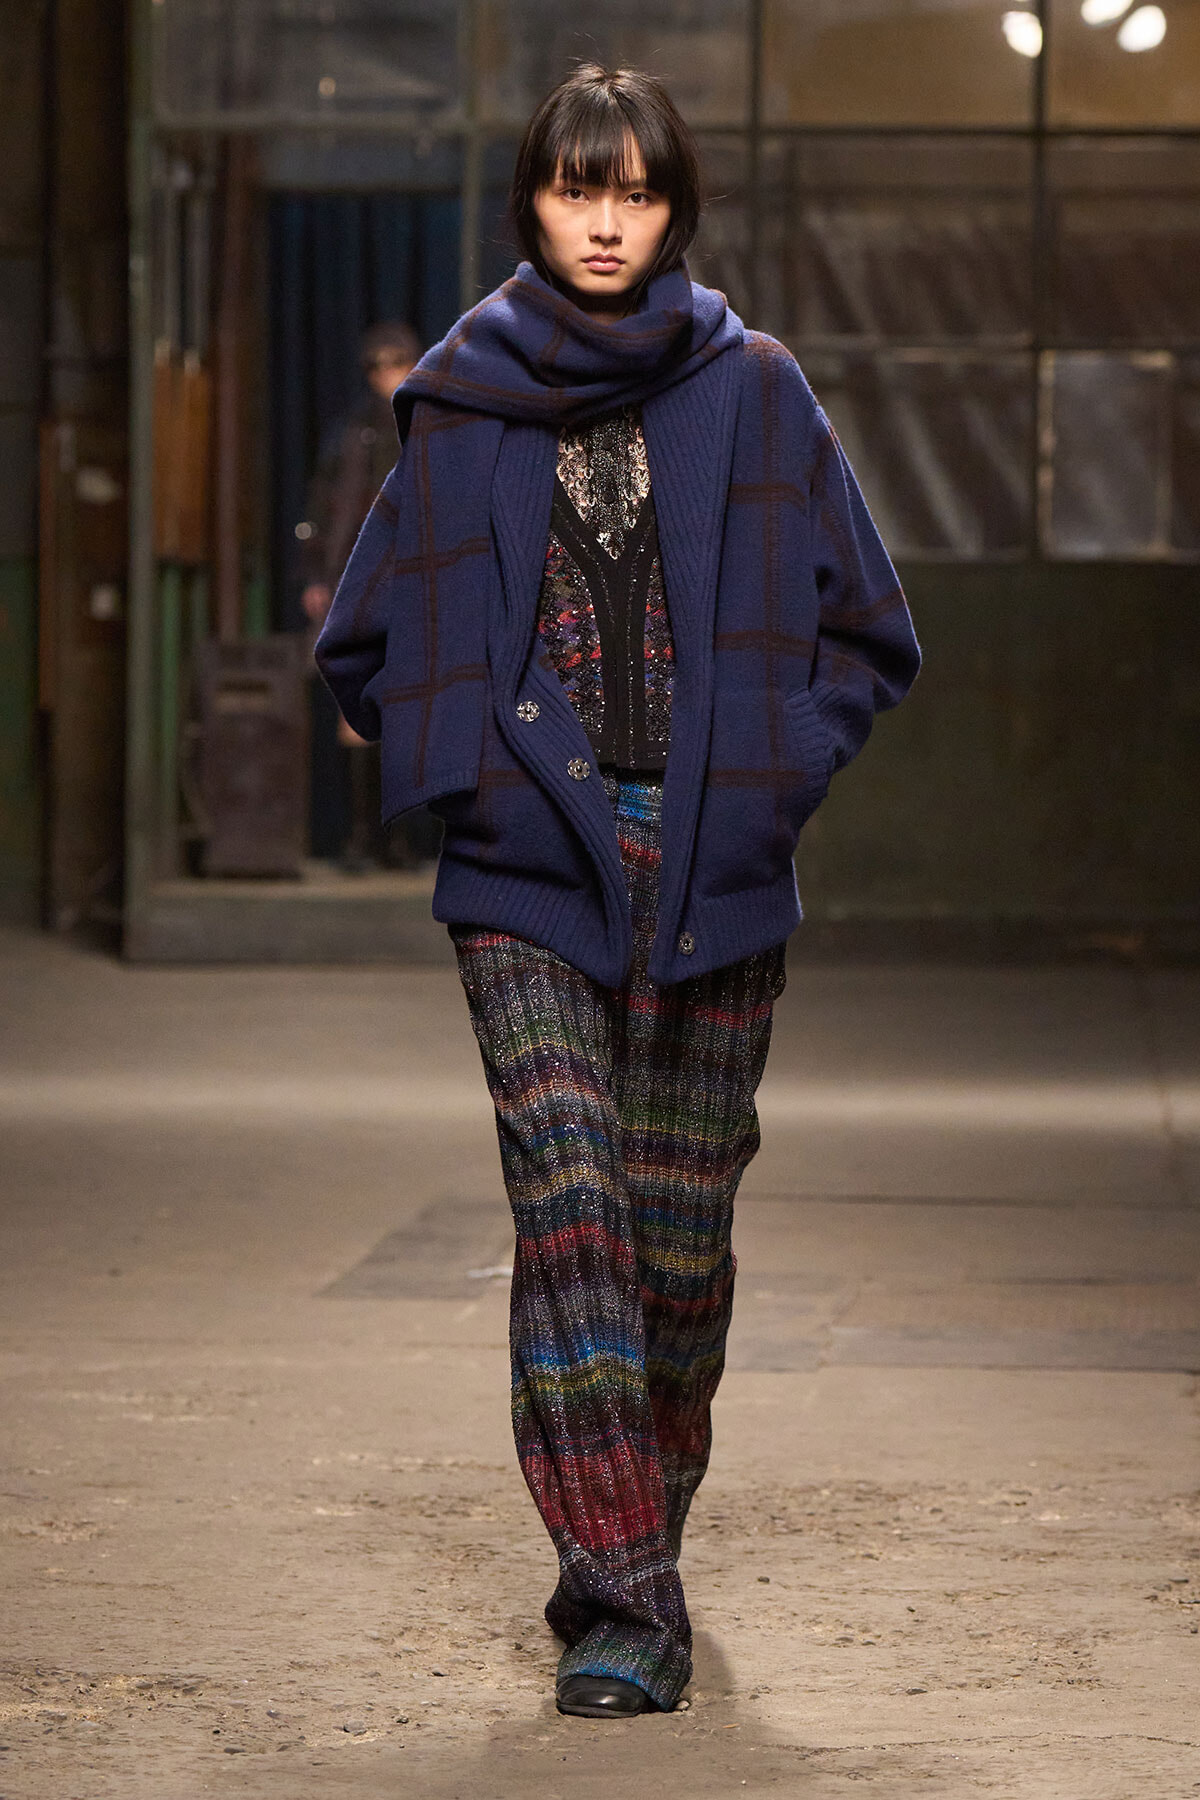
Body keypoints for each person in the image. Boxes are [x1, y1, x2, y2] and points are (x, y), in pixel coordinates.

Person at [316, 66, 920, 1720]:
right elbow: (363, 644)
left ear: (675, 210)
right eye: (579, 187)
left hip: (715, 869)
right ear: (531, 199)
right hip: (524, 876)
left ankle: (623, 1540)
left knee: (674, 1242)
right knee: (568, 1201)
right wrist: (479, 766)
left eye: (637, 191)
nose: (605, 219)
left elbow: (871, 629)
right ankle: (628, 1600)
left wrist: (770, 776)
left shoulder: (758, 392)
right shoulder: (464, 396)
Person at [299, 320, 438, 871]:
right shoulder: (351, 430)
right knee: (354, 705)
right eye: (378, 365)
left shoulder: (428, 423)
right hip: (354, 580)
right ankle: (362, 837)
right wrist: (313, 576)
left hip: (414, 581)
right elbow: (322, 508)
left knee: (408, 708)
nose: (387, 374)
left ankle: (399, 839)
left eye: (396, 362)